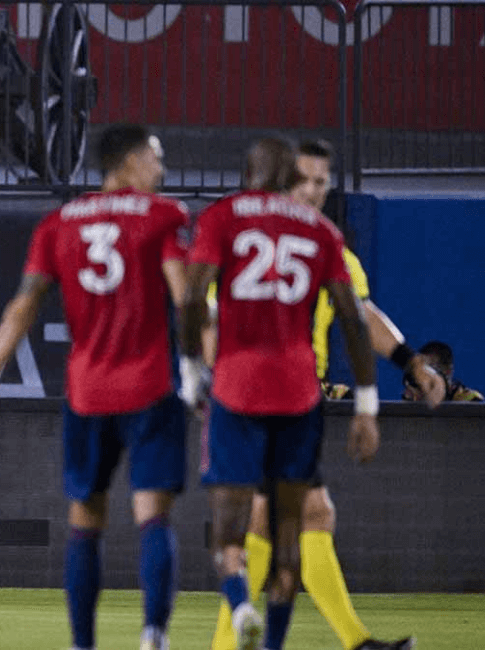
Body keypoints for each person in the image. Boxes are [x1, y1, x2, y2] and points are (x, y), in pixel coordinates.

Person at [0, 124, 189, 650]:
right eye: (155, 157)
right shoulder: (163, 216)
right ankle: (154, 635)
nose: (162, 169)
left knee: (85, 518)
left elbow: (20, 311)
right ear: (127, 162)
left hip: (88, 393)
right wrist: (200, 367)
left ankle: (83, 644)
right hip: (150, 386)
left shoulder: (58, 224)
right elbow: (187, 296)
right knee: (152, 514)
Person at [208, 140, 436, 650]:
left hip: (273, 401)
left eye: (319, 182)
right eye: (303, 182)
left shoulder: (291, 242)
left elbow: (360, 316)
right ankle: (351, 643)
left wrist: (408, 359)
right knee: (285, 518)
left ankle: (341, 642)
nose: (313, 191)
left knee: (296, 518)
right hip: (264, 402)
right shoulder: (305, 244)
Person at [181, 137, 382, 650]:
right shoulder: (321, 231)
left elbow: (192, 302)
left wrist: (189, 373)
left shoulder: (223, 219)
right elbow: (356, 324)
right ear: (292, 176)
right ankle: (271, 642)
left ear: (247, 171)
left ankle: (239, 608)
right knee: (291, 528)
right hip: (298, 392)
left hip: (237, 388)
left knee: (232, 527)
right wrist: (366, 404)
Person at [403, 340, 484, 402]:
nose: (427, 376)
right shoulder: (413, 395)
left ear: (448, 371)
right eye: (424, 371)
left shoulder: (469, 398)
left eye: (432, 371)